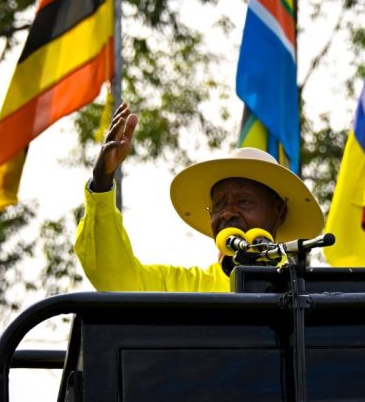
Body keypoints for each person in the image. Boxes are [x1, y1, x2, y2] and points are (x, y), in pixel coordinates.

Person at [75, 102, 324, 292]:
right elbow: (115, 279)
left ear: (279, 212)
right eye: (219, 205)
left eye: (244, 202)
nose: (227, 213)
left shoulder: (310, 291)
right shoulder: (187, 288)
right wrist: (101, 183)